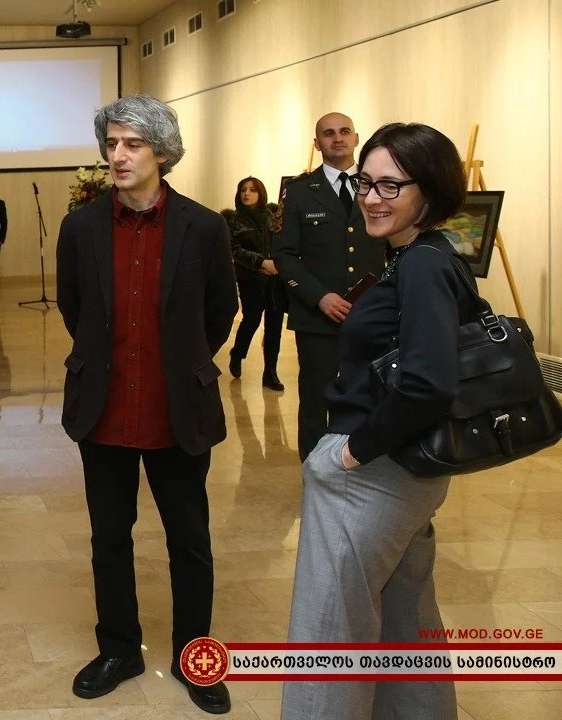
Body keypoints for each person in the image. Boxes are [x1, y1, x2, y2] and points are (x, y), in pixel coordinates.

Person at [281, 123, 473, 720]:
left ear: (430, 190)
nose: (371, 198)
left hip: (376, 473)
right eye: (367, 183)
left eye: (391, 186)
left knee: (329, 631)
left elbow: (426, 383)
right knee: (404, 616)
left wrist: (352, 453)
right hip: (404, 471)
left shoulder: (420, 265)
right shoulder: (429, 256)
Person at [56, 94, 236, 714]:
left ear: (163, 152)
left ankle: (196, 657)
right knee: (110, 537)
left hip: (175, 410)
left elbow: (220, 313)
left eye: (132, 143)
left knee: (190, 539)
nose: (117, 155)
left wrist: (181, 363)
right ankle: (119, 648)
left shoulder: (206, 227)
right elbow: (74, 307)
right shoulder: (81, 227)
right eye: (111, 143)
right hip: (103, 410)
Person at [274, 112, 386, 461]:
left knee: (371, 395)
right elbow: (285, 256)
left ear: (356, 138)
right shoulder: (298, 193)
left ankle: (362, 467)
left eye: (344, 132)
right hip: (317, 319)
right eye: (328, 133)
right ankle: (315, 473)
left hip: (373, 317)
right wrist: (320, 296)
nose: (337, 138)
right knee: (315, 403)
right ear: (317, 143)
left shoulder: (380, 188)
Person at [223, 177, 286, 391]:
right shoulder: (233, 220)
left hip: (276, 278)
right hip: (250, 278)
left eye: (252, 190)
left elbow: (284, 244)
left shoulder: (273, 217)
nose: (246, 194)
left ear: (261, 194)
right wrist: (260, 262)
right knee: (252, 319)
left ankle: (271, 373)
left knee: (275, 325)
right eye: (243, 190)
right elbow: (234, 250)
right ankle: (237, 354)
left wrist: (278, 264)